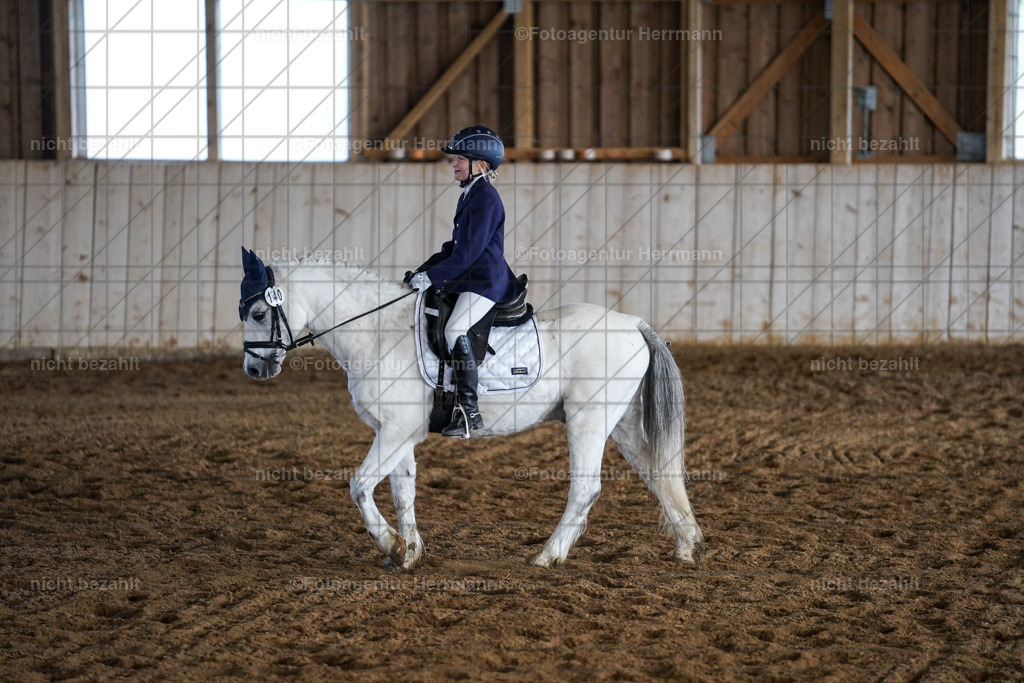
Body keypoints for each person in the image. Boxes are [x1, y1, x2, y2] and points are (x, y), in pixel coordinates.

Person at [405, 126, 525, 438]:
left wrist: (433, 277)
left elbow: (470, 252)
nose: (454, 164)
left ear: (481, 165)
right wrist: (424, 269)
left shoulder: (485, 197)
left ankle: (469, 412)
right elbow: (455, 247)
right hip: (471, 274)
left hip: (485, 280)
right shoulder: (470, 193)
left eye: (460, 159)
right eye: (454, 158)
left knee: (454, 329)